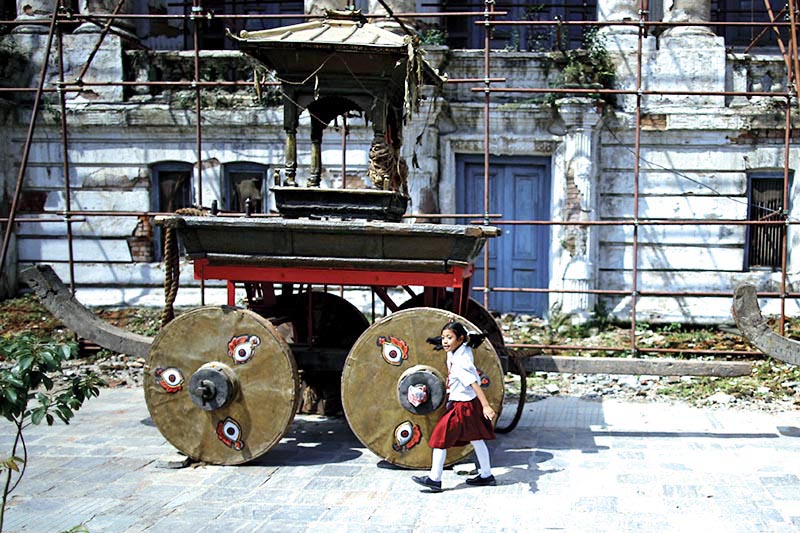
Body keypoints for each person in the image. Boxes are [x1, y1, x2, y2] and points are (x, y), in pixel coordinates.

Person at [412, 320, 496, 492]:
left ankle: (434, 479)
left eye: (449, 338)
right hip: (467, 404)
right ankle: (486, 475)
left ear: (460, 339)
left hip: (462, 407)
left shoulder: (461, 362)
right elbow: (468, 334)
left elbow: (474, 384)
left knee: (439, 439)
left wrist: (486, 406)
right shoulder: (462, 349)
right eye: (443, 338)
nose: (444, 342)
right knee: (476, 439)